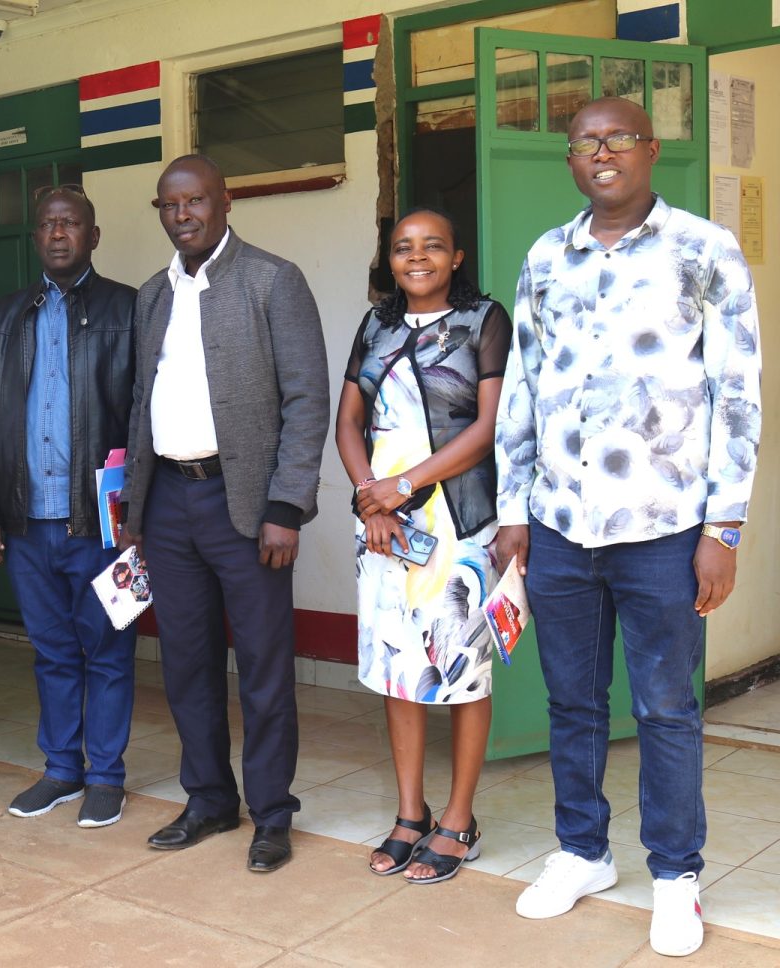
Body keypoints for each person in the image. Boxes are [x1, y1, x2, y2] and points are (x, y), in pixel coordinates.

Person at [495, 97, 761, 957]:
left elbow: (739, 390)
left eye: (618, 139)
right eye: (585, 142)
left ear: (650, 150)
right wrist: (512, 511)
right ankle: (583, 852)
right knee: (572, 702)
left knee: (667, 708)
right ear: (571, 160)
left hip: (666, 527)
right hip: (560, 524)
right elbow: (523, 388)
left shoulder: (704, 248)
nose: (601, 153)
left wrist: (724, 527)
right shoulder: (546, 256)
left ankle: (676, 876)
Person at [122, 154, 329, 872]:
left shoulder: (273, 280)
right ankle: (209, 799)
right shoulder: (152, 295)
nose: (183, 215)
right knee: (186, 662)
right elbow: (140, 404)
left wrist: (287, 506)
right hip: (168, 503)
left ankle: (271, 812)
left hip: (247, 503)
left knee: (265, 666)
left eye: (196, 201)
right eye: (170, 205)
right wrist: (134, 507)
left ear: (225, 201)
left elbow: (307, 398)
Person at [335, 208, 511, 883]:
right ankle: (411, 814)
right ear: (390, 258)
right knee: (397, 667)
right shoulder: (375, 324)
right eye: (404, 247)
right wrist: (369, 496)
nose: (417, 257)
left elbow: (488, 427)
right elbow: (348, 422)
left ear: (456, 257)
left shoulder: (483, 321)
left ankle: (460, 821)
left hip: (457, 522)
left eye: (433, 246)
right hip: (382, 524)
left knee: (462, 671)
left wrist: (402, 486)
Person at [0, 185, 138, 827]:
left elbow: (146, 417)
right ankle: (62, 769)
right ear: (35, 237)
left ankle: (107, 776)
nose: (58, 233)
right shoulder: (5, 316)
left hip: (102, 523)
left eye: (70, 223)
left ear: (94, 236)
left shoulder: (128, 308)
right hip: (26, 520)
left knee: (109, 650)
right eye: (47, 224)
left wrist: (138, 513)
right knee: (53, 652)